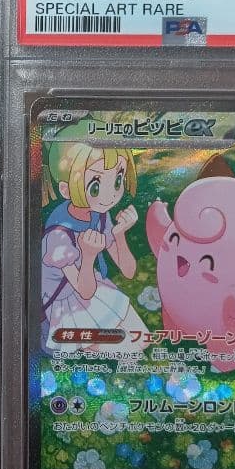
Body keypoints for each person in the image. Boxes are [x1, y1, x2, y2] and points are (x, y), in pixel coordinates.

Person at [42, 136, 146, 355]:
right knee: (129, 350)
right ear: (66, 190)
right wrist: (88, 256)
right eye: (96, 186)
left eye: (117, 180)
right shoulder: (58, 235)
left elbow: (128, 271)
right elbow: (84, 291)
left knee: (142, 340)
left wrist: (119, 235)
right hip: (65, 301)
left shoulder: (100, 215)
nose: (111, 195)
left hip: (92, 285)